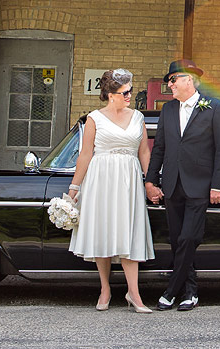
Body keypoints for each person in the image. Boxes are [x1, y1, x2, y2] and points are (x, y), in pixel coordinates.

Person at [144, 58, 220, 312]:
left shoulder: (214, 107)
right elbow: (159, 148)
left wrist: (218, 185)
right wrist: (151, 180)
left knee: (189, 238)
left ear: (188, 80)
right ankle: (190, 292)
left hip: (200, 186)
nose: (169, 85)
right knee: (176, 240)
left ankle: (171, 290)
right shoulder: (168, 110)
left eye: (172, 80)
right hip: (172, 185)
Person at [68, 68, 154, 313]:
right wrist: (75, 186)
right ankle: (105, 288)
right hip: (101, 177)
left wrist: (149, 181)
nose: (129, 95)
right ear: (110, 95)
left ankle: (134, 293)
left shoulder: (137, 116)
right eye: (124, 92)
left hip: (129, 177)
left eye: (129, 90)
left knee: (129, 231)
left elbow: (144, 152)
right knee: (103, 230)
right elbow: (85, 154)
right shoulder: (94, 118)